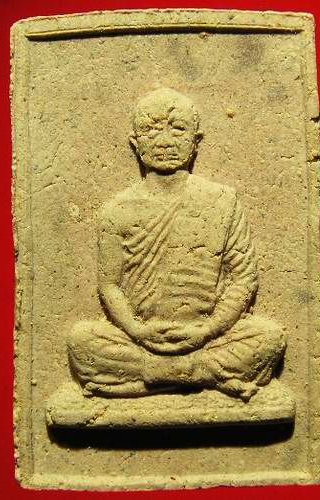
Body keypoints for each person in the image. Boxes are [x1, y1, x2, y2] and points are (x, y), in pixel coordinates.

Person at [67, 88, 286, 401]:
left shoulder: (222, 201)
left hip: (209, 336)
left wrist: (207, 330)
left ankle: (147, 379)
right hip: (139, 339)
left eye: (178, 129)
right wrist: (137, 330)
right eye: (152, 130)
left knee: (269, 337)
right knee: (82, 340)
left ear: (196, 141)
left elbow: (242, 279)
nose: (164, 141)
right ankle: (204, 375)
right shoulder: (117, 209)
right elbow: (110, 285)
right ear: (135, 142)